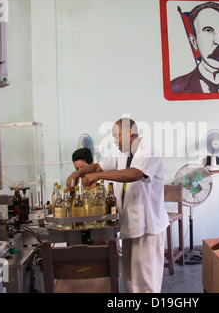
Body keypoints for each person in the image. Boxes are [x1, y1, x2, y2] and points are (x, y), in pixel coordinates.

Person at [66, 118, 170, 293]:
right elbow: (99, 166)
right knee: (130, 281)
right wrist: (78, 172)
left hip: (148, 228)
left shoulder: (149, 152)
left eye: (117, 136)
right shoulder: (122, 153)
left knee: (146, 284)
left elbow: (135, 174)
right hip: (132, 226)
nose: (115, 141)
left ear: (130, 132)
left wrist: (100, 176)